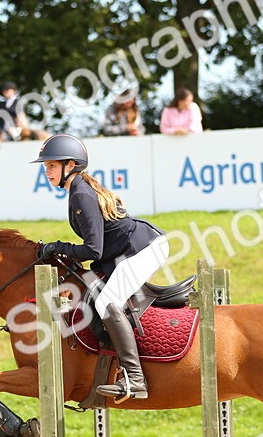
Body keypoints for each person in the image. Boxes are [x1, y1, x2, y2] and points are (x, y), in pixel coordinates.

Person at [32, 134, 170, 401]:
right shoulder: (79, 189)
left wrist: (57, 246)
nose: (46, 171)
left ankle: (135, 379)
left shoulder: (81, 193)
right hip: (130, 249)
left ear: (70, 165)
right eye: (45, 166)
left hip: (143, 249)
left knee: (107, 301)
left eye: (51, 165)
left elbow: (92, 250)